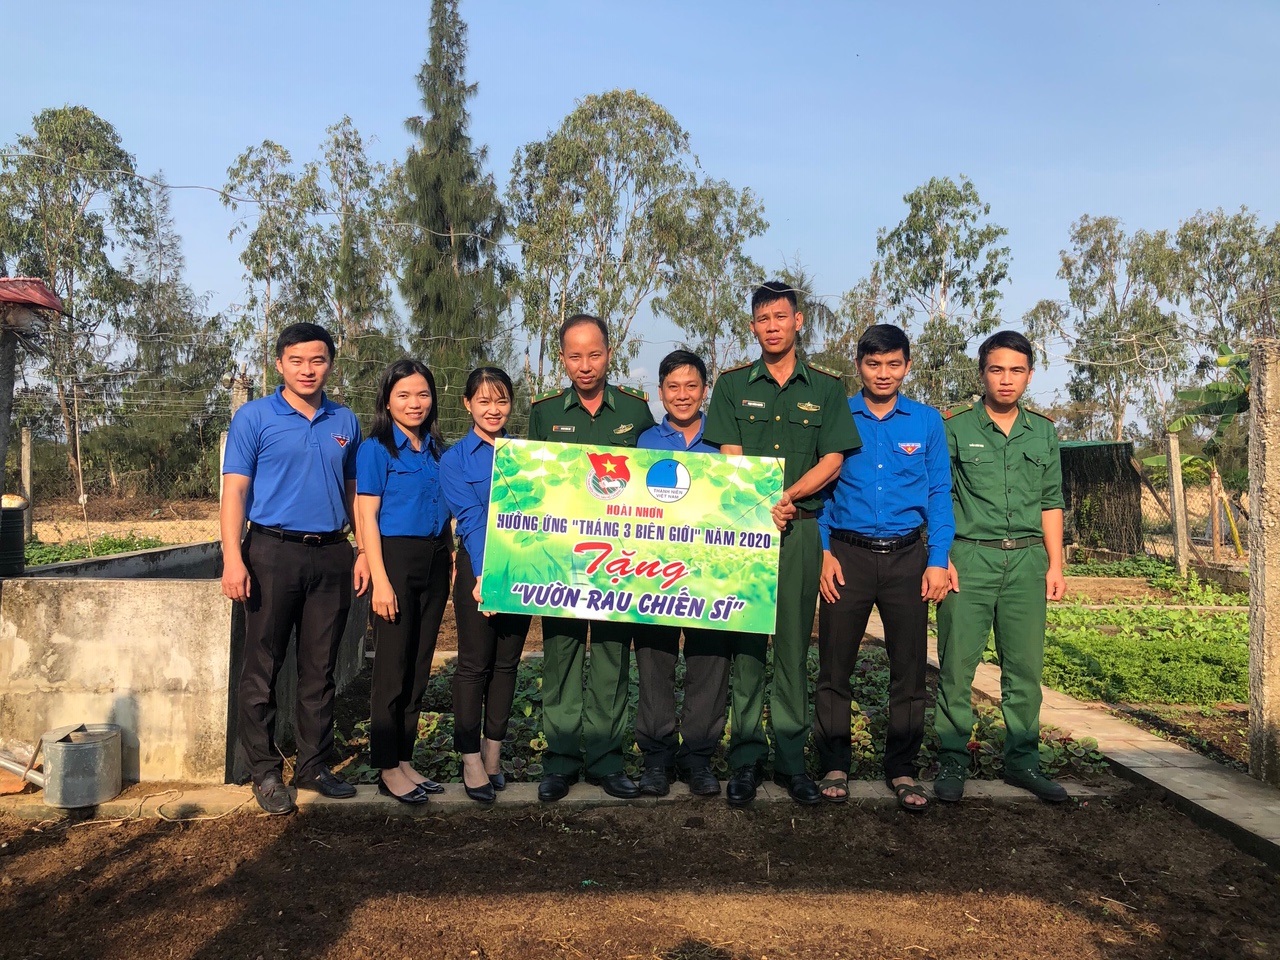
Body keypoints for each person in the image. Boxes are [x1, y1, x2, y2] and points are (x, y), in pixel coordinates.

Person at [703, 281, 861, 806]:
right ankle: (745, 760)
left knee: (793, 646)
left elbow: (833, 459)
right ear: (752, 326)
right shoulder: (731, 386)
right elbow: (730, 457)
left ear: (798, 321)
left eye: (780, 317)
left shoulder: (826, 388)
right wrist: (761, 502)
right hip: (747, 531)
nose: (772, 327)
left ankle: (792, 761)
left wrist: (788, 497)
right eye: (763, 319)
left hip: (801, 531)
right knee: (748, 645)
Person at [221, 322, 369, 815]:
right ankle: (264, 771)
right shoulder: (254, 417)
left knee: (320, 666)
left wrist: (362, 550)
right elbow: (235, 491)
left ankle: (313, 765)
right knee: (262, 666)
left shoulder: (344, 420)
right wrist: (233, 558)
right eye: (297, 361)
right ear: (280, 364)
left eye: (318, 360)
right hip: (271, 551)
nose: (308, 370)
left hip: (331, 553)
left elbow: (353, 492)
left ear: (331, 365)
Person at [813, 324, 954, 810]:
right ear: (859, 366)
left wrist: (938, 559)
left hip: (907, 558)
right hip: (846, 556)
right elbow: (821, 489)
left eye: (894, 364)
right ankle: (834, 763)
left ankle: (902, 768)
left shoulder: (927, 421)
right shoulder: (838, 416)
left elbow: (939, 492)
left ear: (907, 366)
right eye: (873, 364)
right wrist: (823, 552)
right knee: (834, 666)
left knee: (910, 671)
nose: (883, 373)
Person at [933, 330, 1069, 804]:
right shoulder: (954, 429)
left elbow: (1051, 501)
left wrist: (1055, 564)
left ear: (1029, 376)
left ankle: (1023, 761)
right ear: (982, 374)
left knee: (1024, 670)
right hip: (970, 557)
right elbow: (940, 496)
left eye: (1016, 370)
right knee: (956, 666)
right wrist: (941, 557)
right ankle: (952, 758)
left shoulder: (1043, 432)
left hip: (1028, 561)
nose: (1006, 379)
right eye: (996, 369)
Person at [527, 313, 656, 802]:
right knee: (560, 656)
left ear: (609, 354)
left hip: (618, 561)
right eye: (575, 356)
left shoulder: (635, 411)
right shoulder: (544, 413)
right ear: (562, 358)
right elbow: (531, 483)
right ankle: (559, 762)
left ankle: (606, 759)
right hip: (562, 559)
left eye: (595, 354)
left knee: (610, 659)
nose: (586, 366)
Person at [632, 350, 731, 798]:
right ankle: (656, 758)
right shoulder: (644, 444)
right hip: (656, 573)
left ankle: (698, 758)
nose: (683, 395)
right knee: (654, 661)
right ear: (660, 392)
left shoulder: (726, 440)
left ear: (705, 390)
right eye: (673, 387)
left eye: (692, 386)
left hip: (711, 574)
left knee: (710, 662)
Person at [354, 359, 453, 805]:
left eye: (423, 394)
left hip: (435, 560)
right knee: (392, 669)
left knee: (418, 667)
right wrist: (380, 580)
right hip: (394, 560)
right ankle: (386, 767)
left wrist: (450, 554)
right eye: (404, 395)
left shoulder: (437, 450)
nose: (415, 403)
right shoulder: (376, 450)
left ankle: (405, 759)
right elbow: (367, 517)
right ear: (387, 401)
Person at [440, 366, 532, 805]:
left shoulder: (527, 455)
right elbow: (471, 519)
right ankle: (470, 758)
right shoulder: (455, 460)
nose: (493, 410)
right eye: (484, 401)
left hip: (522, 571)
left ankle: (493, 753)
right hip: (479, 571)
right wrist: (484, 576)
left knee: (507, 664)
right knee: (474, 664)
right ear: (467, 404)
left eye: (501, 401)